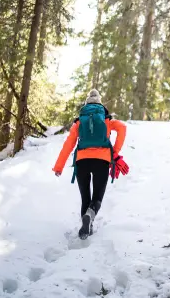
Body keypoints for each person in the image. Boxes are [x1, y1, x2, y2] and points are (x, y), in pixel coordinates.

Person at [52, 89, 129, 239]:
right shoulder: (106, 119)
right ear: (100, 104)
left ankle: (86, 229)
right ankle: (90, 216)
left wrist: (59, 167)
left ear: (86, 105)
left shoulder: (80, 122)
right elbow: (122, 128)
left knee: (85, 198)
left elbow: (68, 145)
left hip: (82, 162)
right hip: (102, 161)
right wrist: (115, 152)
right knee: (97, 198)